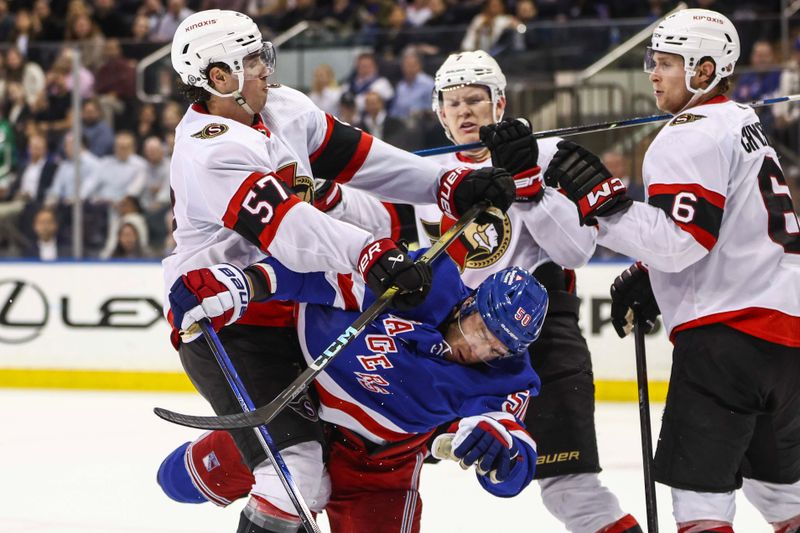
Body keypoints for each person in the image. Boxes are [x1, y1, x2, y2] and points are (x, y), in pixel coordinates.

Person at [163, 9, 515, 533]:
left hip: (301, 310)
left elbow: (364, 159)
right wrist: (370, 253)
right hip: (228, 316)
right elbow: (290, 231)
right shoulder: (208, 150)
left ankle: (216, 461)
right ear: (219, 77)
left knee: (342, 449)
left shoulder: (283, 108)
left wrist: (446, 184)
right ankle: (220, 462)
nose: (265, 67)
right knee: (296, 476)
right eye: (252, 59)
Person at [319, 49, 642, 533]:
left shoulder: (544, 154)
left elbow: (575, 251)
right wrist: (325, 194)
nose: (465, 110)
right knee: (362, 468)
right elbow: (377, 220)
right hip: (446, 347)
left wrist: (530, 184)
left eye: (476, 98)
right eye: (453, 102)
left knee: (570, 492)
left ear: (501, 103)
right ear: (439, 112)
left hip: (539, 340)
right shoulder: (427, 174)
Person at [545, 9, 800, 533]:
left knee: (699, 498)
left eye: (665, 63)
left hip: (727, 339)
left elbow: (683, 243)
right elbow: (728, 231)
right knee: (782, 496)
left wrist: (605, 205)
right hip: (788, 341)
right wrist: (652, 272)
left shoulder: (689, 132)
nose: (652, 74)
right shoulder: (747, 125)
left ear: (704, 72)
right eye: (652, 61)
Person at [159, 253, 547, 532]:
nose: (478, 352)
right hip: (298, 411)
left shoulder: (510, 378)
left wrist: (505, 454)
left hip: (378, 467)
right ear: (470, 302)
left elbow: (515, 461)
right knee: (176, 481)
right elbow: (320, 275)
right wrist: (249, 283)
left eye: (497, 349)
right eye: (481, 331)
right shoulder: (422, 281)